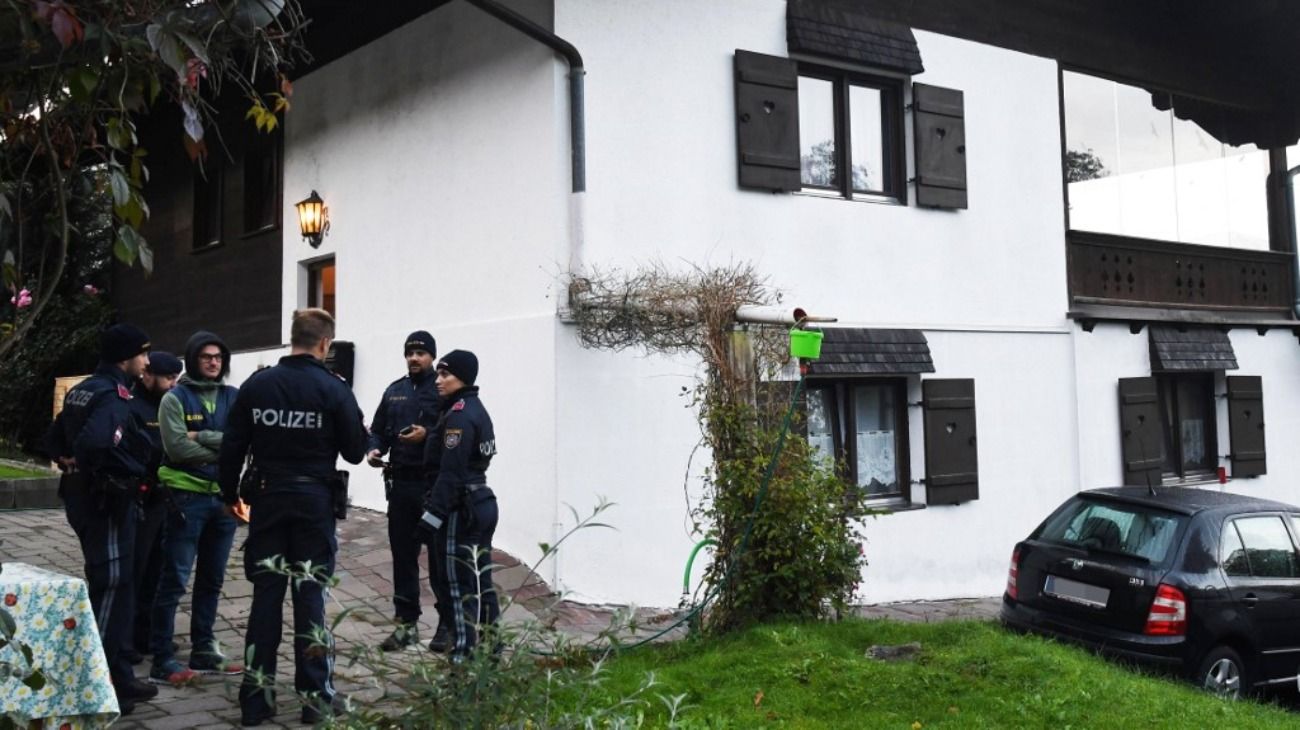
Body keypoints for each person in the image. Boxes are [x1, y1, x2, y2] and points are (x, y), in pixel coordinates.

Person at [217, 308, 367, 727]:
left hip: (267, 502)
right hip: (314, 506)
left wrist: (229, 495)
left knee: (265, 599)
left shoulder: (258, 385)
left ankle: (255, 700)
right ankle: (315, 699)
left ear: (292, 338)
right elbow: (355, 450)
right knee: (310, 601)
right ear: (325, 344)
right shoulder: (334, 389)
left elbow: (232, 447)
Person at [44, 324, 159, 715]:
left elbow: (55, 437)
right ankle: (103, 681)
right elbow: (94, 443)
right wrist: (97, 468)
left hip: (82, 496)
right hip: (104, 501)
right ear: (125, 358)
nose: (147, 362)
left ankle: (120, 673)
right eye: (143, 354)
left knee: (118, 583)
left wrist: (67, 459)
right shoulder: (112, 394)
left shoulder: (83, 388)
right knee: (111, 584)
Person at [149, 331, 243, 685]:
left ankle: (204, 649)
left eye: (218, 357)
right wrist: (224, 445)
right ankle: (162, 658)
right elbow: (176, 450)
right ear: (193, 359)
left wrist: (199, 436)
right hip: (185, 498)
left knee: (212, 579)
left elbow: (243, 442)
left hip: (223, 498)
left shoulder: (233, 397)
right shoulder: (174, 399)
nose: (213, 362)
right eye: (206, 357)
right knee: (174, 578)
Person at [365, 330, 449, 652]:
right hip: (399, 485)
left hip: (430, 485)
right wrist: (373, 451)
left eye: (421, 353)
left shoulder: (441, 389)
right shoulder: (394, 391)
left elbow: (450, 435)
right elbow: (377, 432)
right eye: (410, 353)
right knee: (403, 557)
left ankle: (446, 624)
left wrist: (426, 435)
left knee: (438, 558)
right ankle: (406, 624)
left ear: (431, 356)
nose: (414, 358)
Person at [420, 350, 499, 662]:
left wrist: (431, 517)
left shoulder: (460, 415)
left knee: (458, 584)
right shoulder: (476, 409)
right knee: (482, 580)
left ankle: (462, 658)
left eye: (445, 375)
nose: (438, 381)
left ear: (462, 378)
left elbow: (451, 474)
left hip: (461, 508)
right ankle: (492, 648)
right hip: (480, 500)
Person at [124, 350, 182, 667]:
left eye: (176, 378)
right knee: (136, 568)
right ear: (148, 376)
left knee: (158, 570)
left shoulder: (170, 405)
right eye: (168, 378)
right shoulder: (133, 407)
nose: (173, 384)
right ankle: (127, 639)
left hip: (166, 498)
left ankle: (147, 634)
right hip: (141, 499)